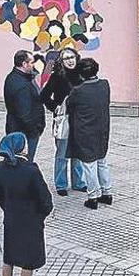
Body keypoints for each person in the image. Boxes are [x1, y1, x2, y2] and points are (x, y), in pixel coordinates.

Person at [0, 132, 53, 276]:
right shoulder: (30, 170)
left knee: (9, 257)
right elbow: (45, 199)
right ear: (21, 148)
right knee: (29, 260)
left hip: (11, 217)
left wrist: (7, 207)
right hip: (30, 220)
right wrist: (41, 214)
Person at [66, 59, 114, 209]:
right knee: (102, 161)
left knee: (89, 164)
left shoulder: (78, 91)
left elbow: (69, 105)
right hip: (102, 129)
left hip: (85, 131)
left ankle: (93, 196)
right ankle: (107, 192)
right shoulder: (104, 85)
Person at [40, 46, 87, 196]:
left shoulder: (82, 75)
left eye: (72, 57)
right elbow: (44, 96)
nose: (70, 61)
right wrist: (55, 107)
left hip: (79, 119)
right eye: (66, 58)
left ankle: (78, 182)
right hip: (64, 119)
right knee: (62, 153)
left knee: (77, 152)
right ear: (61, 61)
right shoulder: (57, 76)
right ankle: (61, 184)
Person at [3, 50, 46, 161]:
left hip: (15, 127)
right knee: (24, 162)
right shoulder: (22, 85)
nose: (33, 65)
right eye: (31, 62)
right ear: (24, 64)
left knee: (14, 161)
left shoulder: (12, 77)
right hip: (25, 133)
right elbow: (24, 113)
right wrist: (35, 129)